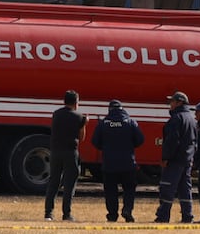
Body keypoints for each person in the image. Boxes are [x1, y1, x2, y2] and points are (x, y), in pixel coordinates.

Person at [91, 99, 144, 222]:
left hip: (109, 164)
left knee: (110, 191)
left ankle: (112, 215)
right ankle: (127, 210)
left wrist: (105, 148)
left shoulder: (103, 123)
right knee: (129, 189)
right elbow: (140, 139)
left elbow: (95, 142)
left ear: (109, 109)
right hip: (128, 163)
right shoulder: (130, 122)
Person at [43, 90, 87, 221]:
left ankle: (48, 213)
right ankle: (66, 213)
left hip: (56, 151)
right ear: (76, 103)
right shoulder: (79, 117)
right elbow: (82, 137)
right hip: (70, 152)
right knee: (69, 184)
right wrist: (84, 124)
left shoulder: (56, 114)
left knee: (53, 181)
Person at [154, 91, 197, 223]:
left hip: (175, 160)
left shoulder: (176, 118)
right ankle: (187, 215)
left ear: (179, 102)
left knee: (167, 187)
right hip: (187, 160)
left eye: (172, 101)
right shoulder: (192, 119)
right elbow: (195, 141)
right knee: (185, 189)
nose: (170, 104)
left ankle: (163, 216)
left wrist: (166, 157)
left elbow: (172, 141)